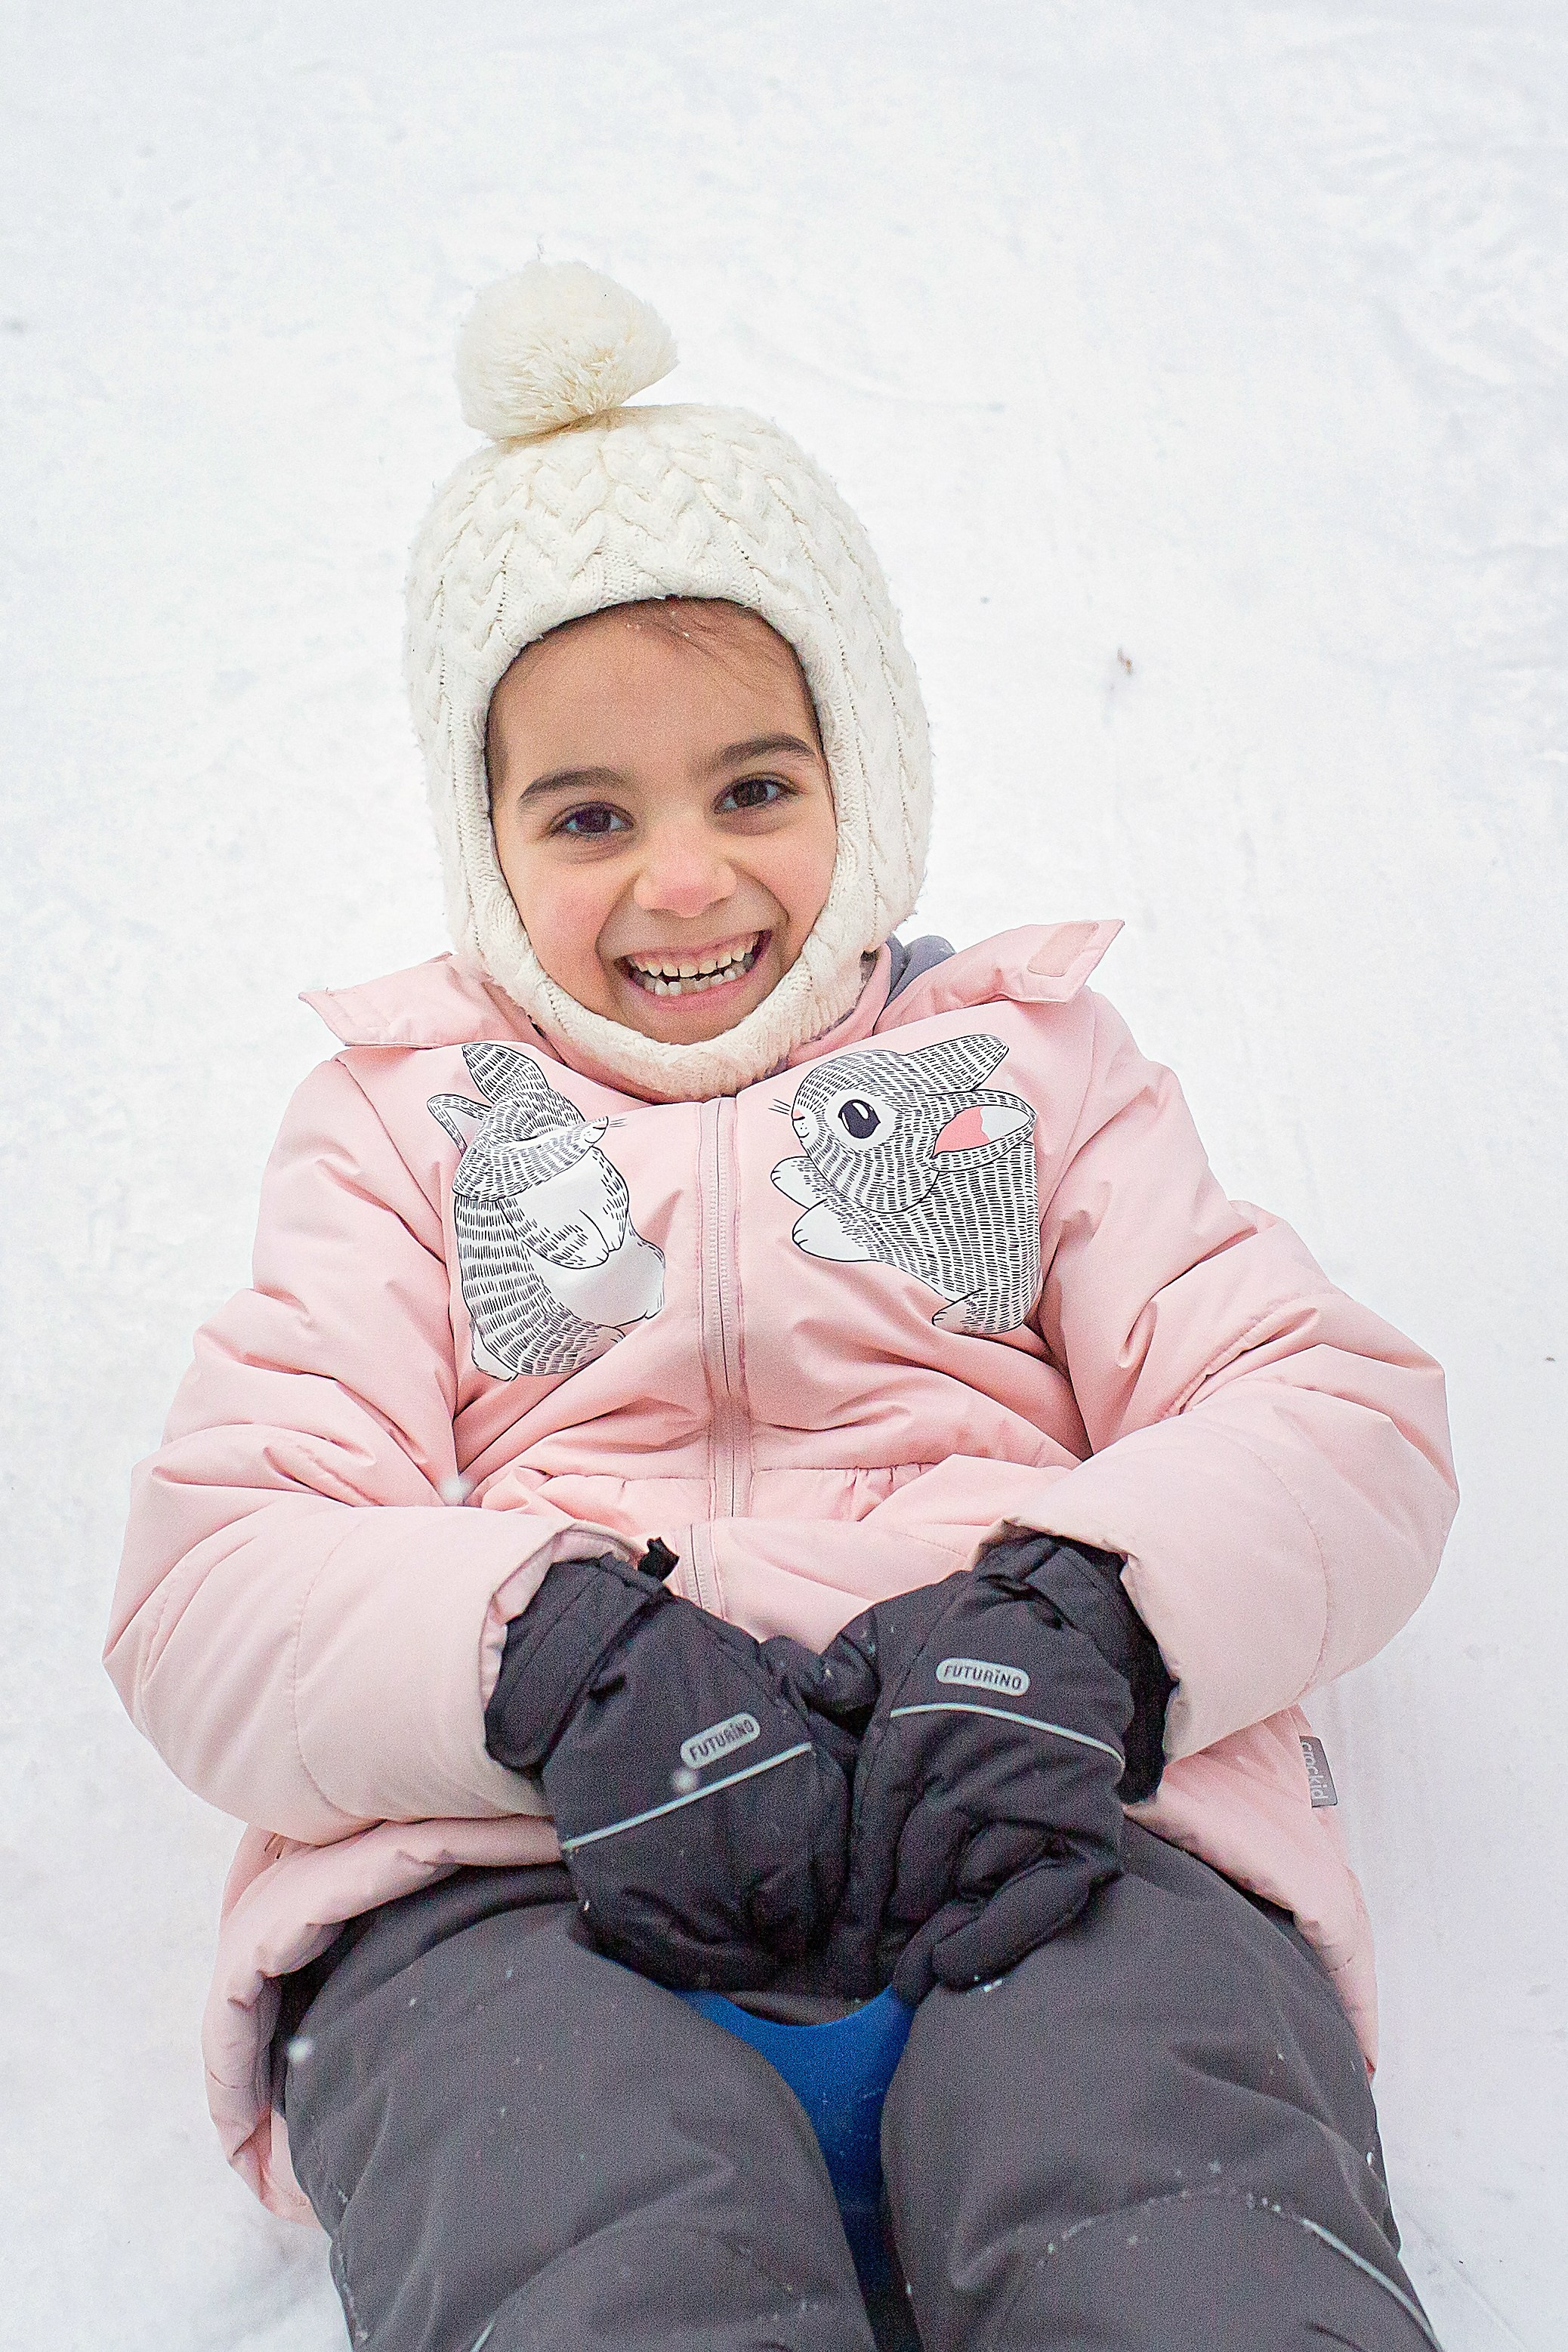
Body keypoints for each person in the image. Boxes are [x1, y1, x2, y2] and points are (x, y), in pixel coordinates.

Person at [106, 263, 1457, 2352]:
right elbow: (216, 1578)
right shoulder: (404, 1126)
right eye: (585, 815)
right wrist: (549, 1666)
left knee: (1170, 2199)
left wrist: (1081, 1624)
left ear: (866, 768)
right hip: (532, 1884)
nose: (682, 881)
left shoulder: (1024, 1066)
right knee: (577, 2225)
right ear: (480, 840)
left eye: (750, 788)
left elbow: (1332, 1417)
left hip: (1038, 1826)